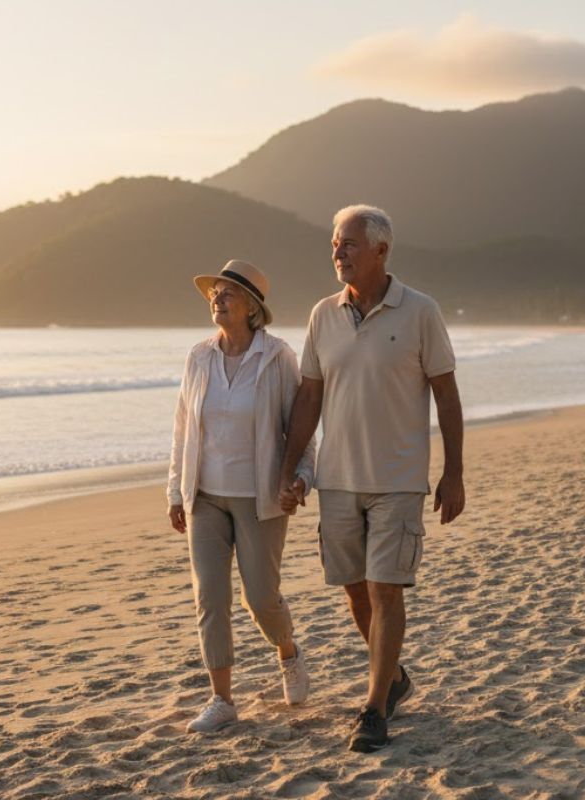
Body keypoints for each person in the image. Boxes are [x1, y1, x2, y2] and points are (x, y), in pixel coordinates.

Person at [278, 205, 465, 753]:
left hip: (399, 479)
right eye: (336, 243)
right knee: (355, 589)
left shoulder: (421, 312)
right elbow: (309, 396)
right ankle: (395, 678)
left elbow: (447, 395)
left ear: (381, 251)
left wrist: (453, 473)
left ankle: (374, 706)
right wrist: (290, 470)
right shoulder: (322, 315)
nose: (338, 251)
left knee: (387, 589)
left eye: (350, 244)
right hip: (337, 478)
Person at [167, 259, 317, 734]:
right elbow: (183, 428)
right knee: (209, 597)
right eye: (215, 292)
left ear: (252, 306)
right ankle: (222, 699)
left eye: (228, 292)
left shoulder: (277, 358)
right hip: (205, 496)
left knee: (260, 598)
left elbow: (300, 426)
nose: (218, 298)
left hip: (259, 497)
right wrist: (176, 490)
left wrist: (301, 477)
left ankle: (288, 653)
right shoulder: (198, 357)